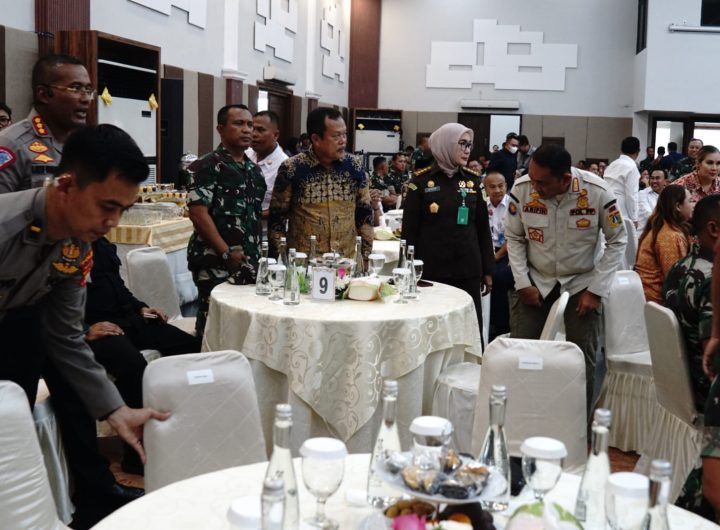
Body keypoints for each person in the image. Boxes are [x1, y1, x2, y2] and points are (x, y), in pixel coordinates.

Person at [0, 124, 169, 528]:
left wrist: (116, 410)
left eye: (123, 209)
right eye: (107, 205)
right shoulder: (6, 225)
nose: (113, 221)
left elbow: (65, 337)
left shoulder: (78, 247)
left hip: (18, 335)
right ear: (66, 185)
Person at [505, 144, 627, 409]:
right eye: (532, 178)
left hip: (582, 283)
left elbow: (618, 240)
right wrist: (522, 283)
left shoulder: (597, 192)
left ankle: (577, 424)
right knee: (522, 353)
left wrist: (596, 290)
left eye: (542, 183)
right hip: (536, 280)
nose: (534, 187)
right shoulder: (523, 189)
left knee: (581, 359)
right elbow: (514, 237)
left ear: (565, 179)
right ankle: (521, 416)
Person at [85, 236, 201, 474]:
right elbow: (52, 304)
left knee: (190, 347)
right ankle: (136, 458)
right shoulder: (64, 247)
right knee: (133, 367)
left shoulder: (100, 242)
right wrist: (84, 330)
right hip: (98, 329)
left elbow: (118, 288)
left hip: (129, 319)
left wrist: (143, 308)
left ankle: (183, 428)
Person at [402, 123, 495, 337]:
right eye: (461, 144)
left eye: (469, 145)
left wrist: (488, 270)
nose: (467, 150)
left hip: (467, 268)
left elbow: (483, 228)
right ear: (446, 144)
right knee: (433, 330)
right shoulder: (421, 182)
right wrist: (408, 269)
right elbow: (409, 232)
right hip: (431, 270)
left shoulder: (474, 181)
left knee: (468, 328)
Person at [187, 104, 265, 338]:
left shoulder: (254, 171)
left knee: (243, 327)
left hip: (248, 262)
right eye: (239, 124)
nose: (247, 130)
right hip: (215, 262)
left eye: (250, 125)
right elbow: (198, 214)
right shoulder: (206, 166)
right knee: (213, 326)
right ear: (221, 129)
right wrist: (225, 253)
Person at [664, 195, 720, 520]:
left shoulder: (680, 267)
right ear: (713, 229)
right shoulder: (711, 278)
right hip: (704, 391)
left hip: (679, 383)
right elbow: (713, 360)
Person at [269, 107, 373, 260]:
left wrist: (366, 256)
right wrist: (280, 259)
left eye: (344, 134)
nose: (343, 141)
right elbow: (276, 219)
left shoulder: (354, 166)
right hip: (303, 263)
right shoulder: (292, 168)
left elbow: (364, 214)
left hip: (345, 261)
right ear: (316, 139)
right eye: (336, 136)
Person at [0, 54, 92, 192]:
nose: (86, 99)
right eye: (75, 88)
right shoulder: (11, 144)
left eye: (88, 90)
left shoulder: (85, 144)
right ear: (43, 94)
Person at [635, 185, 693, 304]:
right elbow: (676, 282)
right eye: (690, 201)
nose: (693, 205)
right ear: (678, 206)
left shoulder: (664, 227)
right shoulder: (671, 236)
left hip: (650, 299)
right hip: (658, 302)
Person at [245, 110, 288, 234]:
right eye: (252, 128)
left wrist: (249, 213)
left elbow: (283, 208)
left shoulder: (284, 166)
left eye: (260, 130)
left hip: (266, 234)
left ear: (276, 135)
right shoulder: (245, 154)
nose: (254, 134)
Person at [484, 171, 513, 340]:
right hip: (486, 250)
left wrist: (496, 257)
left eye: (501, 186)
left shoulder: (513, 206)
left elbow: (515, 238)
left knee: (499, 277)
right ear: (486, 189)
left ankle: (500, 327)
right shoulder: (482, 205)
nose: (497, 190)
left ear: (506, 186)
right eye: (492, 187)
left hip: (507, 252)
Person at [603, 136, 641, 227]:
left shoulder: (612, 164)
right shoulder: (632, 167)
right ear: (638, 152)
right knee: (621, 233)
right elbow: (631, 195)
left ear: (621, 150)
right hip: (620, 208)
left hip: (607, 205)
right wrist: (634, 218)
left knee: (611, 233)